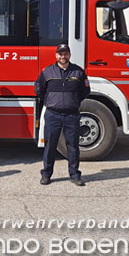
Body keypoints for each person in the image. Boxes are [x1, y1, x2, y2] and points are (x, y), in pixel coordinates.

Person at [34, 43, 90, 186]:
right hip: (53, 115)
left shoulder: (78, 72)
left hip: (72, 115)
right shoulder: (47, 72)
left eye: (65, 53)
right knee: (50, 145)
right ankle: (46, 174)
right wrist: (50, 101)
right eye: (60, 53)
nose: (63, 56)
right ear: (56, 55)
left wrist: (73, 102)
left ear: (69, 55)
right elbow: (39, 89)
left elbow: (85, 91)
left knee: (73, 146)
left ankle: (75, 175)